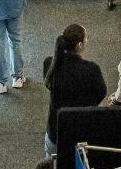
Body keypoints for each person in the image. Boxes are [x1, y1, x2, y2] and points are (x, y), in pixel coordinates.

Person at [41, 24, 107, 155]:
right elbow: (101, 93)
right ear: (79, 45)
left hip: (55, 134)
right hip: (80, 134)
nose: (87, 41)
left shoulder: (50, 64)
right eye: (85, 38)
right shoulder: (92, 69)